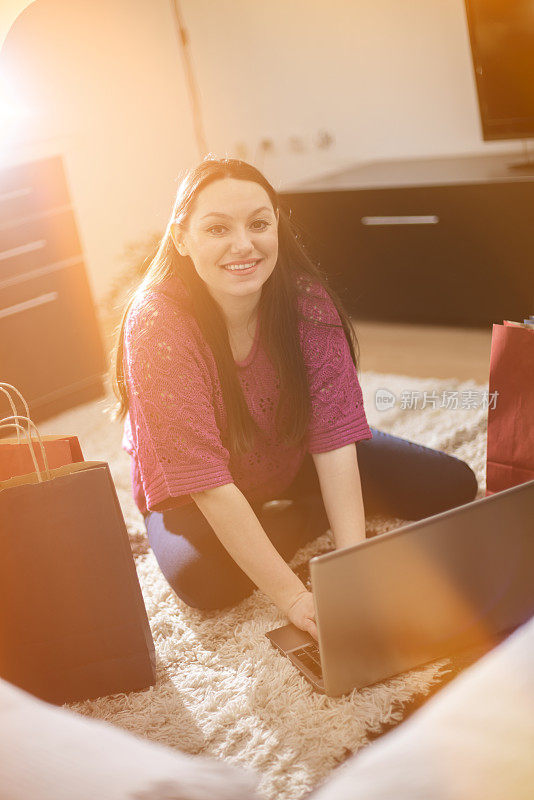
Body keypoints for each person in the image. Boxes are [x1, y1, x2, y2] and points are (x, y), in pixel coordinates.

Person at [112, 156, 478, 641]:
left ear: (276, 226)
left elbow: (332, 438)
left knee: (452, 485)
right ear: (182, 238)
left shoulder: (304, 298)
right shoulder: (157, 323)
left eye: (259, 224)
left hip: (290, 451)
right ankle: (300, 515)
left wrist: (353, 568)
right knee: (204, 583)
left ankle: (296, 512)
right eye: (217, 228)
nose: (244, 245)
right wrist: (294, 597)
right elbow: (207, 484)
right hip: (196, 488)